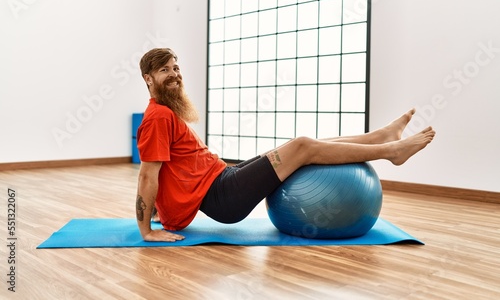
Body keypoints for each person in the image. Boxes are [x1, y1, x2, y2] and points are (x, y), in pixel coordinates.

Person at [135, 48, 436, 242]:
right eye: (165, 71)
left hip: (224, 177)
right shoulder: (158, 117)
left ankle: (379, 137)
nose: (174, 74)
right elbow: (148, 174)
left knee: (298, 146)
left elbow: (171, 169)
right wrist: (146, 230)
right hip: (222, 196)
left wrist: (160, 210)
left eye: (176, 67)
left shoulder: (165, 112)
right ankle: (391, 152)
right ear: (149, 79)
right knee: (303, 146)